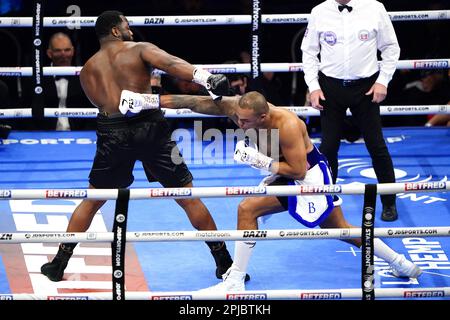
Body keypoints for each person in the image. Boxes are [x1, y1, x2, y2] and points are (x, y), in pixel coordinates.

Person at [40, 10, 247, 283]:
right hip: (152, 129)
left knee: (92, 200)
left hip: (111, 133)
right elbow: (172, 63)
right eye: (127, 26)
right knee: (186, 196)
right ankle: (224, 263)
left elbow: (101, 104)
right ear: (115, 30)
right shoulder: (139, 49)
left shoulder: (87, 69)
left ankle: (58, 264)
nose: (131, 31)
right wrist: (206, 77)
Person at [159, 91, 422, 291]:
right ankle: (400, 263)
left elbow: (298, 170)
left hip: (307, 176)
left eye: (246, 121)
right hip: (285, 173)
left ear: (263, 116)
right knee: (338, 228)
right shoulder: (240, 110)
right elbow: (196, 103)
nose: (240, 124)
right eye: (238, 118)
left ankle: (235, 279)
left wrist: (259, 161)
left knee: (248, 209)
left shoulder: (288, 125)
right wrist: (150, 101)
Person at [301, 0, 400, 221]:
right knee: (328, 147)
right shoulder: (319, 11)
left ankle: (389, 202)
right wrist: (314, 86)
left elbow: (391, 47)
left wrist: (383, 80)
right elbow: (308, 52)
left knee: (376, 145)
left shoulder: (374, 8)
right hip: (330, 87)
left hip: (366, 87)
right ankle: (326, 203)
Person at [22, 32, 96, 131]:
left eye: (67, 50)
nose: (63, 55)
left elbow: (93, 112)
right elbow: (25, 113)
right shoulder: (36, 79)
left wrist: (87, 135)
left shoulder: (84, 77)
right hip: (44, 135)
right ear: (49, 53)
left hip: (79, 134)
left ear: (73, 51)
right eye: (58, 51)